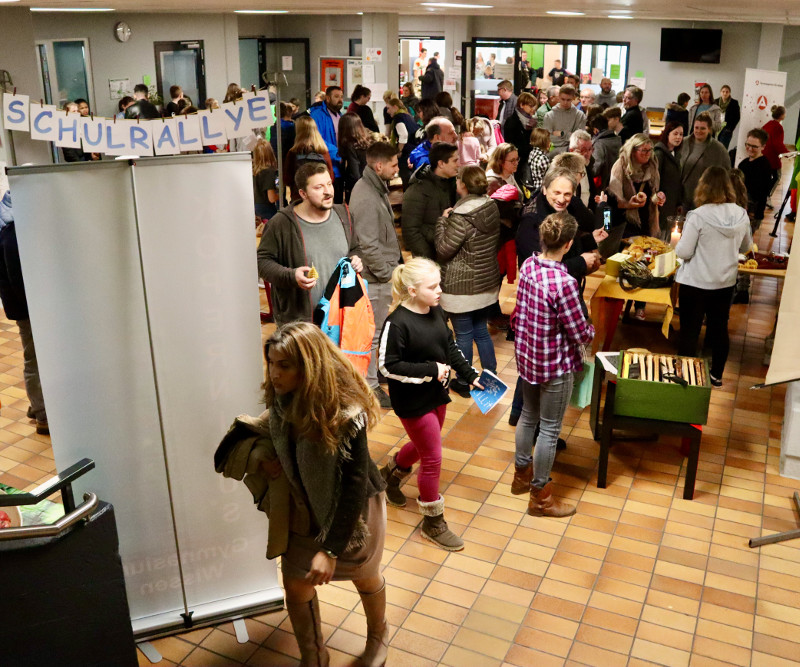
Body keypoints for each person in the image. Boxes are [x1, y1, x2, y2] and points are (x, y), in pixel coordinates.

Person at [229, 321, 388, 667]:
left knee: (365, 576)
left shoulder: (346, 413)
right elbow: (270, 428)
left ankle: (378, 639)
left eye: (284, 365)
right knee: (296, 584)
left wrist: (330, 549)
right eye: (271, 363)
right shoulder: (283, 400)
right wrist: (268, 458)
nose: (274, 373)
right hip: (305, 508)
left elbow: (353, 484)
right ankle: (314, 657)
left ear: (310, 365)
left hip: (354, 512)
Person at [377, 258, 483, 550]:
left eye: (440, 284)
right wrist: (430, 370)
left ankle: (389, 475)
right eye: (433, 286)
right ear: (412, 290)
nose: (440, 291)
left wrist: (470, 374)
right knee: (433, 456)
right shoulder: (397, 323)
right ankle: (433, 521)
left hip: (437, 394)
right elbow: (387, 367)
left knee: (425, 445)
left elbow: (449, 346)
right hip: (412, 400)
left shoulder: (436, 310)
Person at [512, 211, 594, 517]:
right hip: (555, 365)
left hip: (528, 357)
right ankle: (541, 498)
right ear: (569, 244)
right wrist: (591, 331)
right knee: (549, 429)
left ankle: (521, 475)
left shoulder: (528, 265)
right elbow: (579, 332)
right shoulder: (565, 283)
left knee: (528, 416)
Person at [257, 162, 363, 326]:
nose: (328, 192)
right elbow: (262, 262)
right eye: (319, 187)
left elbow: (354, 248)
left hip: (341, 320)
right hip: (300, 325)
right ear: (303, 193)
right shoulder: (281, 223)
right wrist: (292, 276)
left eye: (329, 184)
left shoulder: (344, 215)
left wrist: (356, 258)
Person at [675, 167, 752, 387]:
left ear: (703, 186)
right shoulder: (740, 214)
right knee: (719, 329)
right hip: (725, 282)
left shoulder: (698, 215)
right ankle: (716, 375)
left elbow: (684, 252)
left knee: (690, 330)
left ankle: (684, 376)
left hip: (695, 282)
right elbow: (746, 246)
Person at [435, 166, 502, 397]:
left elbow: (444, 250)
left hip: (461, 287)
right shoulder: (491, 206)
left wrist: (442, 222)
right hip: (486, 282)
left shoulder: (460, 217)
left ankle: (464, 382)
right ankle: (491, 375)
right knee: (481, 331)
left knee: (462, 335)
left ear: (463, 185)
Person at [349, 142, 403, 409]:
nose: (398, 168)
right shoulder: (367, 195)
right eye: (394, 164)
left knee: (378, 333)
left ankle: (374, 375)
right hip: (375, 277)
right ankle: (370, 386)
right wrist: (386, 275)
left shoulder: (375, 187)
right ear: (379, 165)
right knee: (373, 334)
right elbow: (368, 244)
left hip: (380, 274)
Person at [0, 186, 48, 435]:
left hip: (21, 303)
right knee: (35, 358)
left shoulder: (9, 218)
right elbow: (16, 276)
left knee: (34, 355)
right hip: (27, 306)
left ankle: (37, 403)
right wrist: (38, 308)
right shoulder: (13, 228)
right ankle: (43, 414)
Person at [402, 142, 459, 259]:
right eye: (455, 161)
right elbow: (410, 231)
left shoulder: (454, 184)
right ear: (441, 164)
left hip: (449, 257)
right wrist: (429, 259)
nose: (458, 165)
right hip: (430, 261)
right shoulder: (417, 190)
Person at [680, 112, 731, 211]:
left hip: (705, 198)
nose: (699, 131)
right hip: (682, 195)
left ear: (709, 129)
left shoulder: (719, 149)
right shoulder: (683, 142)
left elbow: (726, 174)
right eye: (696, 127)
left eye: (703, 128)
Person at [283, 115, 335, 203]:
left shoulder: (293, 152)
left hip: (299, 198)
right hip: (321, 198)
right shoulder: (323, 151)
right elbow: (331, 177)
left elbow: (287, 179)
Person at [308, 86, 345, 202]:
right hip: (325, 166)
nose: (340, 100)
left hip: (340, 167)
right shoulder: (317, 115)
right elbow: (317, 139)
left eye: (341, 97)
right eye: (336, 97)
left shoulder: (340, 115)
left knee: (338, 202)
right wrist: (338, 155)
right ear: (328, 98)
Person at [654, 121, 685, 242]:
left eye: (681, 134)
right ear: (667, 134)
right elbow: (655, 180)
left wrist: (678, 202)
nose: (678, 137)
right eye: (675, 134)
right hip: (661, 204)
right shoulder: (659, 153)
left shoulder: (676, 154)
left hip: (671, 204)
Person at [737, 128, 773, 226]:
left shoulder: (764, 166)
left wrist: (756, 215)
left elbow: (762, 194)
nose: (750, 148)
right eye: (748, 145)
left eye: (754, 146)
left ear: (763, 147)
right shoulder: (743, 164)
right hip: (740, 209)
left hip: (752, 212)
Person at [338, 113, 373, 203]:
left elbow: (354, 172)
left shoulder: (349, 145)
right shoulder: (368, 142)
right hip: (370, 183)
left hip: (357, 188)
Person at [502, 92, 538, 180]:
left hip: (527, 160)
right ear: (522, 105)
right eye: (530, 106)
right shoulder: (512, 122)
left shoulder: (530, 121)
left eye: (534, 106)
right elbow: (514, 143)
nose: (533, 109)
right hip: (518, 161)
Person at [387, 98, 421, 186]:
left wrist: (399, 150)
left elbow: (403, 135)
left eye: (389, 108)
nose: (387, 111)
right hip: (414, 151)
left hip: (406, 153)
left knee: (406, 179)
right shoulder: (408, 116)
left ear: (395, 107)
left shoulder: (398, 117)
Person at [543, 84, 586, 154]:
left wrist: (561, 134)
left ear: (573, 98)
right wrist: (570, 135)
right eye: (563, 99)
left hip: (572, 153)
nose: (565, 102)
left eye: (568, 100)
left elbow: (579, 139)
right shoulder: (549, 115)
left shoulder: (580, 115)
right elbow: (547, 138)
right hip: (552, 153)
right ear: (559, 97)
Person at [588, 114, 622, 192]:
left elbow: (596, 168)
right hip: (618, 182)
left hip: (604, 187)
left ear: (595, 130)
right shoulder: (618, 140)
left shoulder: (599, 144)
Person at [252, 138, 280, 221]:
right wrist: (279, 195)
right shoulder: (269, 172)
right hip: (267, 208)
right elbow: (271, 198)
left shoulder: (254, 171)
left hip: (256, 206)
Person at [762, 105, 787, 199]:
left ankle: (763, 196)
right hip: (772, 157)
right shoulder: (779, 127)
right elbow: (778, 144)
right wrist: (787, 153)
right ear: (781, 115)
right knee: (777, 177)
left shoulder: (767, 124)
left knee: (766, 178)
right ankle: (767, 197)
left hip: (764, 155)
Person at [524, 127, 552, 195]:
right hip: (542, 191)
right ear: (543, 141)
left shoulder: (532, 154)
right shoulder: (542, 158)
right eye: (548, 139)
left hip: (534, 189)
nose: (550, 141)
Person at [715, 85, 740, 149]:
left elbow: (737, 117)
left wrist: (730, 129)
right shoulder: (715, 101)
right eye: (723, 91)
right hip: (716, 128)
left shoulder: (734, 103)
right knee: (714, 149)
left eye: (727, 92)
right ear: (720, 92)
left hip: (726, 129)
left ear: (729, 93)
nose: (725, 93)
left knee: (723, 149)